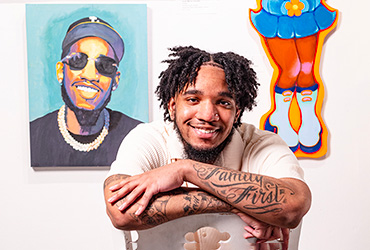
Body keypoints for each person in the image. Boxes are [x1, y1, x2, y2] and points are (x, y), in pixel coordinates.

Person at [104, 46, 311, 246]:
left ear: (237, 112)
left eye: (223, 102)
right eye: (193, 99)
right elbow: (120, 213)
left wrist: (185, 170)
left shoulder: (262, 144)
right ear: (173, 106)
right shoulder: (148, 139)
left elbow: (292, 207)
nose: (207, 115)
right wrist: (248, 205)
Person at [30, 16, 141, 167]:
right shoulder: (33, 136)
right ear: (60, 72)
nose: (89, 75)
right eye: (78, 60)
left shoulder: (138, 137)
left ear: (115, 80)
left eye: (105, 65)